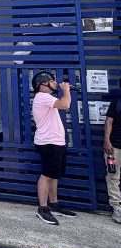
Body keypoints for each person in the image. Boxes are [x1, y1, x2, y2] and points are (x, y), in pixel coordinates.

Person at [31, 71, 76, 225]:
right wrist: (66, 90)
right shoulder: (42, 97)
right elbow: (65, 104)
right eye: (51, 81)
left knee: (53, 175)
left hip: (56, 142)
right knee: (47, 175)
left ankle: (54, 204)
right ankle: (43, 208)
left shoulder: (47, 98)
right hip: (48, 142)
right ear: (42, 85)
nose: (54, 83)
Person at [103, 80, 121, 224]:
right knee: (113, 176)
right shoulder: (117, 102)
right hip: (115, 146)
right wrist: (107, 141)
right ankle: (117, 208)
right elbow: (109, 121)